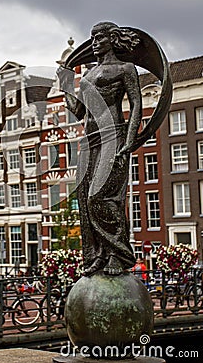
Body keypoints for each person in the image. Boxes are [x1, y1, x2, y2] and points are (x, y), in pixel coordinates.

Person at [57, 22, 142, 276]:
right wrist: (65, 86)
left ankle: (119, 253)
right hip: (89, 138)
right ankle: (98, 255)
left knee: (101, 197)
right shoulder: (88, 76)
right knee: (85, 199)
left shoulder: (125, 68)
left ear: (112, 39)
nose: (94, 42)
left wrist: (129, 140)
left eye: (99, 37)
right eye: (92, 38)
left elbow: (136, 104)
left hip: (112, 134)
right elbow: (80, 111)